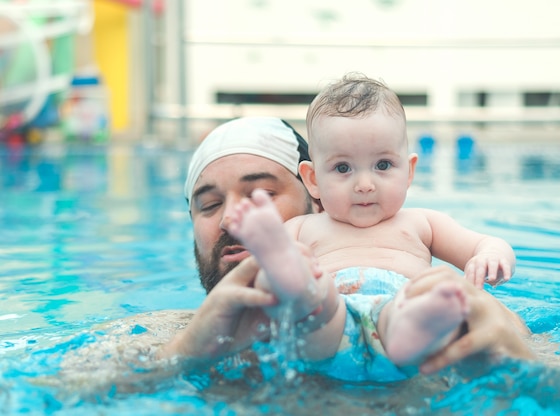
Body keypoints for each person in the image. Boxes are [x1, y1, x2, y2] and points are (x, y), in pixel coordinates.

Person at [158, 114, 534, 379]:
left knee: (415, 306)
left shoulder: (485, 322)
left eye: (261, 195)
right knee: (312, 297)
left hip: (402, 319)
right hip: (322, 317)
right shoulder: (173, 334)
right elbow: (100, 387)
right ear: (317, 179)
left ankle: (406, 326)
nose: (230, 218)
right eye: (208, 205)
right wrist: (187, 351)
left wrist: (515, 355)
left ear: (313, 195)